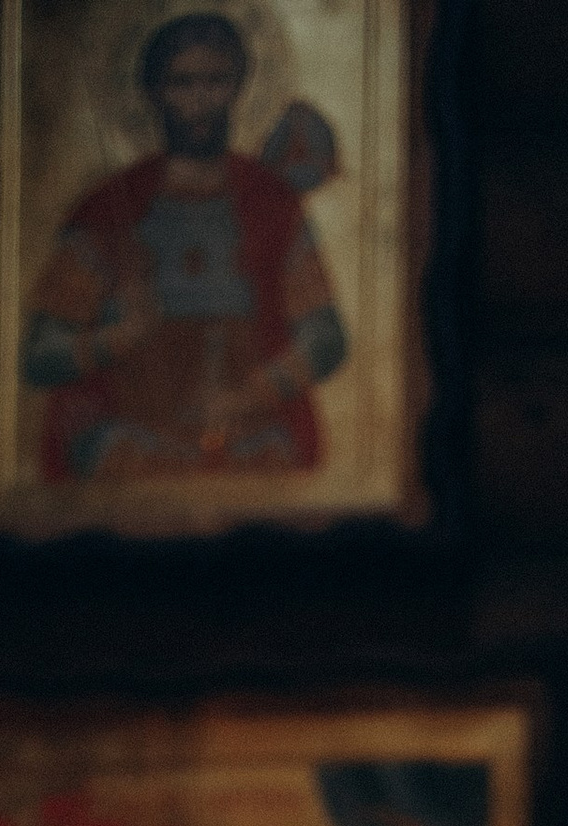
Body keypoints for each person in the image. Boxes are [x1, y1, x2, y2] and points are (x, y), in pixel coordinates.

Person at [23, 12, 347, 484]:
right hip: (131, 442)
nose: (199, 101)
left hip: (250, 441)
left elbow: (326, 337)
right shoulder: (107, 210)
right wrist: (118, 337)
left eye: (216, 81)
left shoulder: (271, 204)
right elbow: (39, 357)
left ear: (240, 87)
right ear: (152, 92)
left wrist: (251, 394)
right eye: (181, 83)